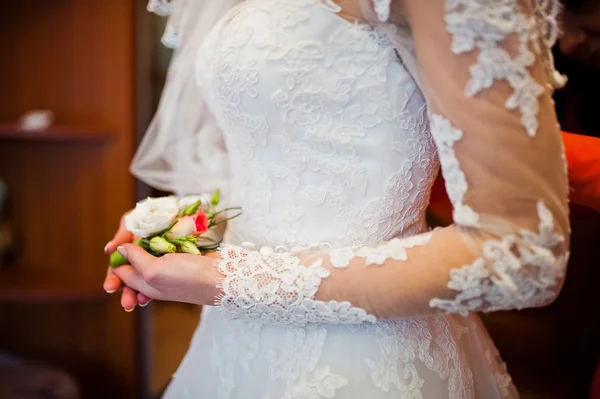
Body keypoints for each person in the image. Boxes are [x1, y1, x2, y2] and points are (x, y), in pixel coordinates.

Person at [105, 1, 572, 397]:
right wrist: (191, 222)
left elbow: (522, 253)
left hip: (367, 362)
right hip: (229, 344)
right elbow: (281, 150)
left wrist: (227, 278)